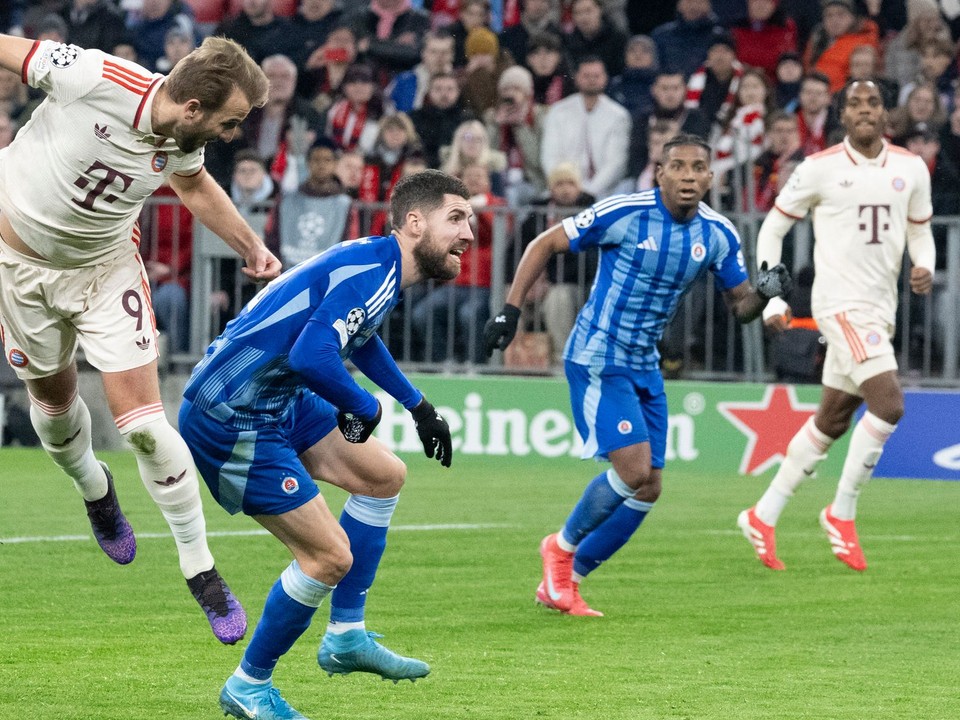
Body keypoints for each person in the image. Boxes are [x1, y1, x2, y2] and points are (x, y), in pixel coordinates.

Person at [0, 34, 281, 644]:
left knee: (147, 427)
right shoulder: (93, 76)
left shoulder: (179, 139)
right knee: (51, 416)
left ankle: (200, 569)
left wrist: (250, 246)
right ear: (193, 109)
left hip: (106, 272)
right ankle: (94, 489)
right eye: (229, 122)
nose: (230, 134)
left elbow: (194, 185)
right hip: (19, 271)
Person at [178, 169, 469, 719]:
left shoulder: (377, 262)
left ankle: (346, 633)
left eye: (471, 220)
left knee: (385, 477)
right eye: (456, 218)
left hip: (276, 398)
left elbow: (356, 339)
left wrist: (417, 405)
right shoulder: (375, 270)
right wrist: (365, 406)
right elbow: (313, 356)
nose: (469, 233)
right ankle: (248, 685)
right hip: (232, 414)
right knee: (327, 556)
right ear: (413, 223)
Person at [484, 133, 792, 615]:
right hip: (598, 354)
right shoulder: (624, 212)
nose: (688, 176)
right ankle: (559, 549)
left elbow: (741, 306)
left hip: (644, 363)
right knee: (631, 471)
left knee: (649, 485)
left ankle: (565, 581)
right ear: (660, 172)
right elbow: (546, 242)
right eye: (678, 167)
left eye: (698, 168)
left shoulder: (718, 234)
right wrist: (510, 310)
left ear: (711, 177)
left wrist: (765, 292)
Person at [736, 80, 936, 573]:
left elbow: (921, 230)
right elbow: (773, 228)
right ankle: (841, 512)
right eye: (855, 104)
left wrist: (924, 264)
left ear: (885, 113)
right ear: (842, 115)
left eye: (873, 102)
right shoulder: (819, 169)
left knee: (831, 420)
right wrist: (772, 297)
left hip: (879, 307)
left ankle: (762, 515)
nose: (865, 110)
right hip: (840, 304)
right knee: (889, 405)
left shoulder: (910, 168)